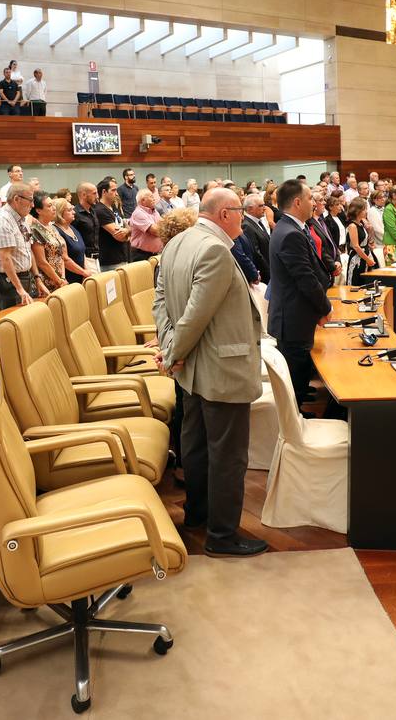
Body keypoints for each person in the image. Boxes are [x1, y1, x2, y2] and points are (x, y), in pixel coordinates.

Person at [152, 186, 264, 556]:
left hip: (194, 368)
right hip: (220, 368)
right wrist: (172, 352)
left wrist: (170, 347)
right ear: (224, 213)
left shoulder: (176, 242)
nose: (244, 218)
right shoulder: (214, 249)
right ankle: (222, 535)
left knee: (196, 446)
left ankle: (198, 513)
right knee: (228, 456)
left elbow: (161, 304)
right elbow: (194, 316)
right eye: (240, 211)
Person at [267, 179, 332, 412]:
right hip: (293, 316)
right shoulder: (290, 233)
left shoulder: (290, 228)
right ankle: (296, 417)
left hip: (295, 313)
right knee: (295, 372)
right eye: (310, 198)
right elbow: (305, 278)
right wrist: (325, 307)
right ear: (297, 202)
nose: (313, 203)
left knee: (300, 367)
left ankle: (300, 401)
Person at [0, 183, 40, 308]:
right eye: (30, 200)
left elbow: (28, 250)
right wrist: (19, 289)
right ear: (16, 199)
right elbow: (5, 258)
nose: (32, 205)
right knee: (15, 318)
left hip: (23, 277)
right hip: (7, 281)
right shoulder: (3, 220)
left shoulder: (22, 219)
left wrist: (37, 278)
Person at [28, 191, 65, 294]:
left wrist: (62, 278)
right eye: (49, 206)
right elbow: (41, 262)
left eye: (53, 204)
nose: (54, 208)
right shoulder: (35, 229)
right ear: (38, 210)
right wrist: (58, 280)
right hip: (46, 283)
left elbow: (60, 255)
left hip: (60, 280)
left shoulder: (52, 227)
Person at [53, 197, 91, 285]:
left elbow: (82, 252)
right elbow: (65, 259)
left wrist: (86, 271)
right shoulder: (56, 231)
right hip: (68, 279)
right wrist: (83, 272)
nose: (74, 212)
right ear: (60, 213)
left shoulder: (72, 228)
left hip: (81, 276)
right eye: (69, 210)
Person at [95, 178, 131, 270]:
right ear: (104, 192)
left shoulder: (114, 207)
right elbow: (120, 236)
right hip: (110, 261)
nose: (117, 193)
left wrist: (127, 231)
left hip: (123, 256)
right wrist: (128, 232)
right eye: (113, 190)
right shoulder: (100, 210)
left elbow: (126, 226)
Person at [71, 182, 102, 274]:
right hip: (85, 259)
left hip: (96, 258)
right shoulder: (75, 214)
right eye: (94, 193)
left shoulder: (93, 211)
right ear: (84, 195)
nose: (97, 196)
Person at [241, 193, 271, 283]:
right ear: (250, 209)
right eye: (261, 206)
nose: (264, 208)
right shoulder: (247, 225)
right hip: (263, 275)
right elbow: (256, 253)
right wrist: (269, 272)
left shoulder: (257, 222)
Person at [345, 198, 376, 284]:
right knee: (355, 284)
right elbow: (356, 246)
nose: (366, 211)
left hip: (365, 257)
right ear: (357, 211)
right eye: (364, 209)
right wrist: (368, 259)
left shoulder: (361, 224)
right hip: (357, 260)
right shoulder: (352, 226)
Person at [128, 189, 162, 261]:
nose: (154, 198)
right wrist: (165, 228)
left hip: (154, 254)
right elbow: (156, 231)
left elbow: (163, 225)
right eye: (151, 196)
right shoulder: (138, 213)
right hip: (141, 255)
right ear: (143, 201)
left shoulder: (154, 211)